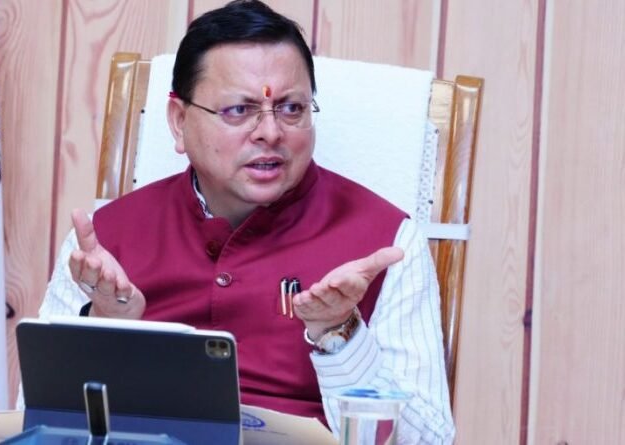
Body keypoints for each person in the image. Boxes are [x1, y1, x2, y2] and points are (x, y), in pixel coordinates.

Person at [40, 0, 454, 442]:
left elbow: (430, 439)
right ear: (178, 122)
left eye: (291, 108)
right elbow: (39, 423)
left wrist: (339, 332)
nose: (270, 132)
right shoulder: (104, 244)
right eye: (239, 110)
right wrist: (108, 325)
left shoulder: (386, 244)